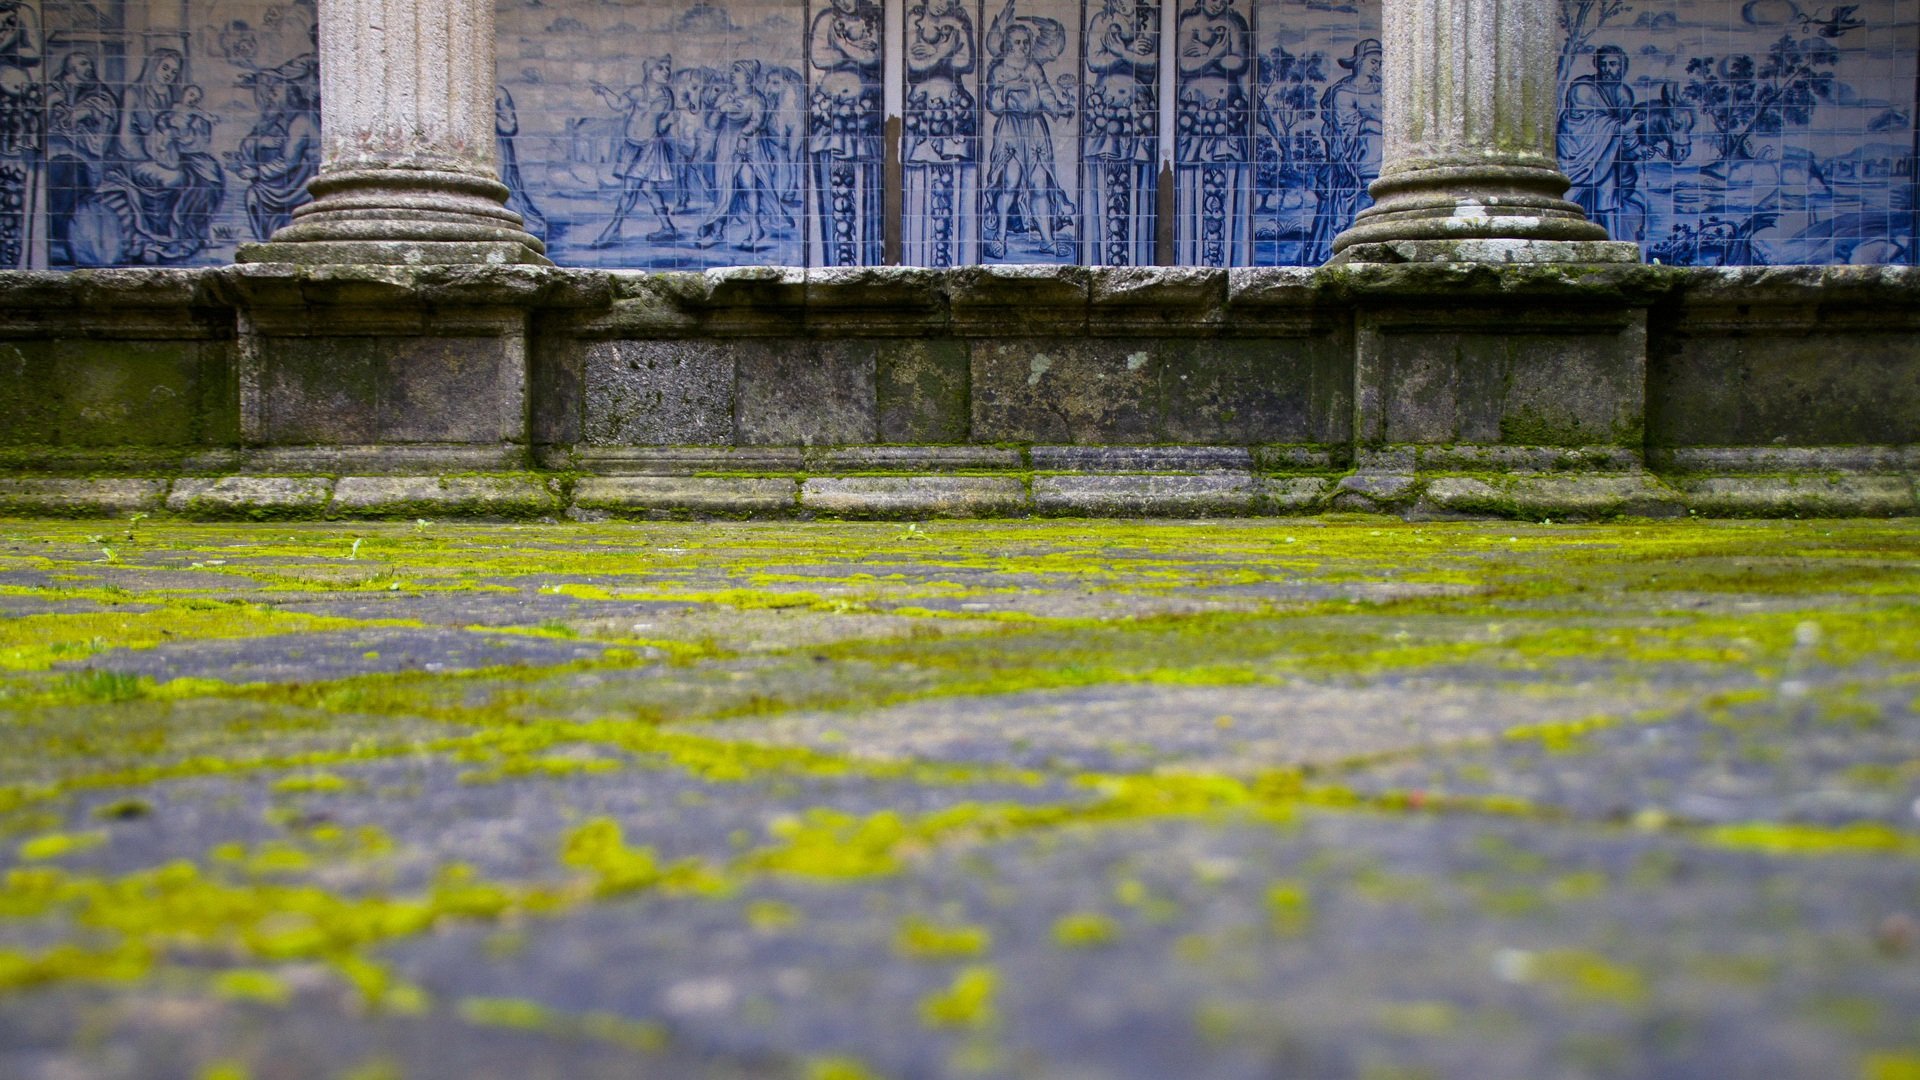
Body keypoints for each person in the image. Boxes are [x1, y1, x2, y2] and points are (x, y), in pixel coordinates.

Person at [982, 2, 1075, 258]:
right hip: (1011, 129)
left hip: (1035, 129)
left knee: (1039, 184)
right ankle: (1000, 238)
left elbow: (1044, 94)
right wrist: (1010, 88)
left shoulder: (1034, 68)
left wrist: (1060, 107)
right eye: (1017, 42)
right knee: (1009, 183)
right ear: (1008, 45)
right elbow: (993, 104)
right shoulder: (999, 69)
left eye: (1025, 42)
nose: (1022, 47)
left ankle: (1046, 239)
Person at [695, 60, 793, 251]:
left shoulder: (757, 99)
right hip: (726, 145)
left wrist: (744, 135)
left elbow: (758, 121)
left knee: (748, 186)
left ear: (748, 76)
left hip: (750, 145)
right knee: (725, 189)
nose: (732, 74)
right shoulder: (725, 96)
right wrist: (720, 109)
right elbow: (712, 123)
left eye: (737, 71)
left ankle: (755, 230)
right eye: (732, 70)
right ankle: (717, 232)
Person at [1558, 45, 1643, 241]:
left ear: (1623, 67)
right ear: (1596, 66)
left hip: (1605, 155)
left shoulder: (1623, 93)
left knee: (1607, 198)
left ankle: (1613, 242)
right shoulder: (1583, 89)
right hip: (1578, 156)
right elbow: (1582, 124)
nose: (1607, 68)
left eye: (1613, 64)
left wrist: (1635, 147)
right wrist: (1621, 129)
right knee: (1569, 196)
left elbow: (1626, 125)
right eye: (1603, 64)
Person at [591, 55, 678, 247]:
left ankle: (613, 228)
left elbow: (662, 127)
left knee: (630, 189)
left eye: (667, 68)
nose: (666, 72)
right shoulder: (639, 91)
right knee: (648, 188)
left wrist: (669, 121)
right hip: (632, 145)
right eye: (661, 68)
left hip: (650, 147)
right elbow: (619, 104)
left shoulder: (667, 97)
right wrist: (605, 92)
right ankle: (668, 227)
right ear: (649, 71)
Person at [1308, 38, 1381, 262]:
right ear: (1359, 61)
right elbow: (1346, 128)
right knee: (1364, 198)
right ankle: (1350, 243)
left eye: (1380, 62)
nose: (1377, 66)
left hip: (1379, 157)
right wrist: (1373, 124)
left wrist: (1372, 122)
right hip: (1358, 157)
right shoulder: (1343, 93)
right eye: (1373, 61)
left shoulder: (1382, 89)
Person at [230, 58, 319, 240]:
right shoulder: (283, 119)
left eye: (274, 91)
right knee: (255, 194)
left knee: (255, 195)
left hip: (303, 185)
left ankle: (271, 243)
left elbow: (288, 161)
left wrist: (256, 172)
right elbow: (253, 141)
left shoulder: (301, 121)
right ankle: (268, 243)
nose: (269, 97)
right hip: (291, 182)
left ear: (288, 93)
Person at [495, 85, 546, 241]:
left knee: (505, 186)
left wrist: (494, 116)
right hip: (489, 150)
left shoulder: (499, 94)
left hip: (499, 150)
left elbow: (511, 126)